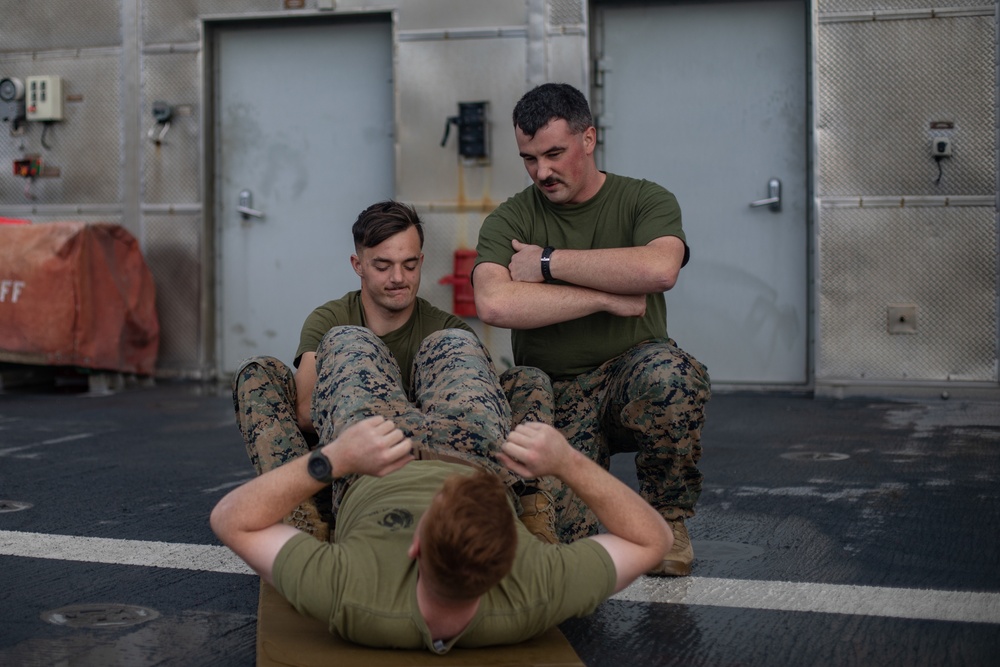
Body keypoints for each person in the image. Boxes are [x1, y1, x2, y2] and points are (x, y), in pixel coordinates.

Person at [210, 326, 672, 652]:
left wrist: (337, 458)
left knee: (347, 338)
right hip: (476, 451)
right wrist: (566, 461)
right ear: (510, 553)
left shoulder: (351, 593)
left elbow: (230, 518)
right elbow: (655, 539)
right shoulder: (537, 588)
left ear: (415, 547)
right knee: (452, 341)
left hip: (373, 457)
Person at [473, 82, 711, 576]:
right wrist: (604, 294)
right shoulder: (511, 217)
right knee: (559, 547)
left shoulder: (644, 199)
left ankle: (668, 523)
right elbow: (494, 302)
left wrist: (545, 262)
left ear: (588, 139)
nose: (543, 171)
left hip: (633, 377)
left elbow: (659, 269)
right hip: (555, 394)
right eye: (529, 158)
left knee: (671, 375)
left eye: (555, 153)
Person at [232, 200, 553, 542]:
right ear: (358, 265)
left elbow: (475, 418)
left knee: (528, 381)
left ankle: (533, 517)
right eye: (383, 266)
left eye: (409, 265)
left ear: (421, 263)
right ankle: (301, 515)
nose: (398, 278)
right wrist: (375, 399)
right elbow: (307, 412)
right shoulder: (331, 320)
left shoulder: (447, 331)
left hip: (440, 464)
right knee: (257, 372)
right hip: (347, 462)